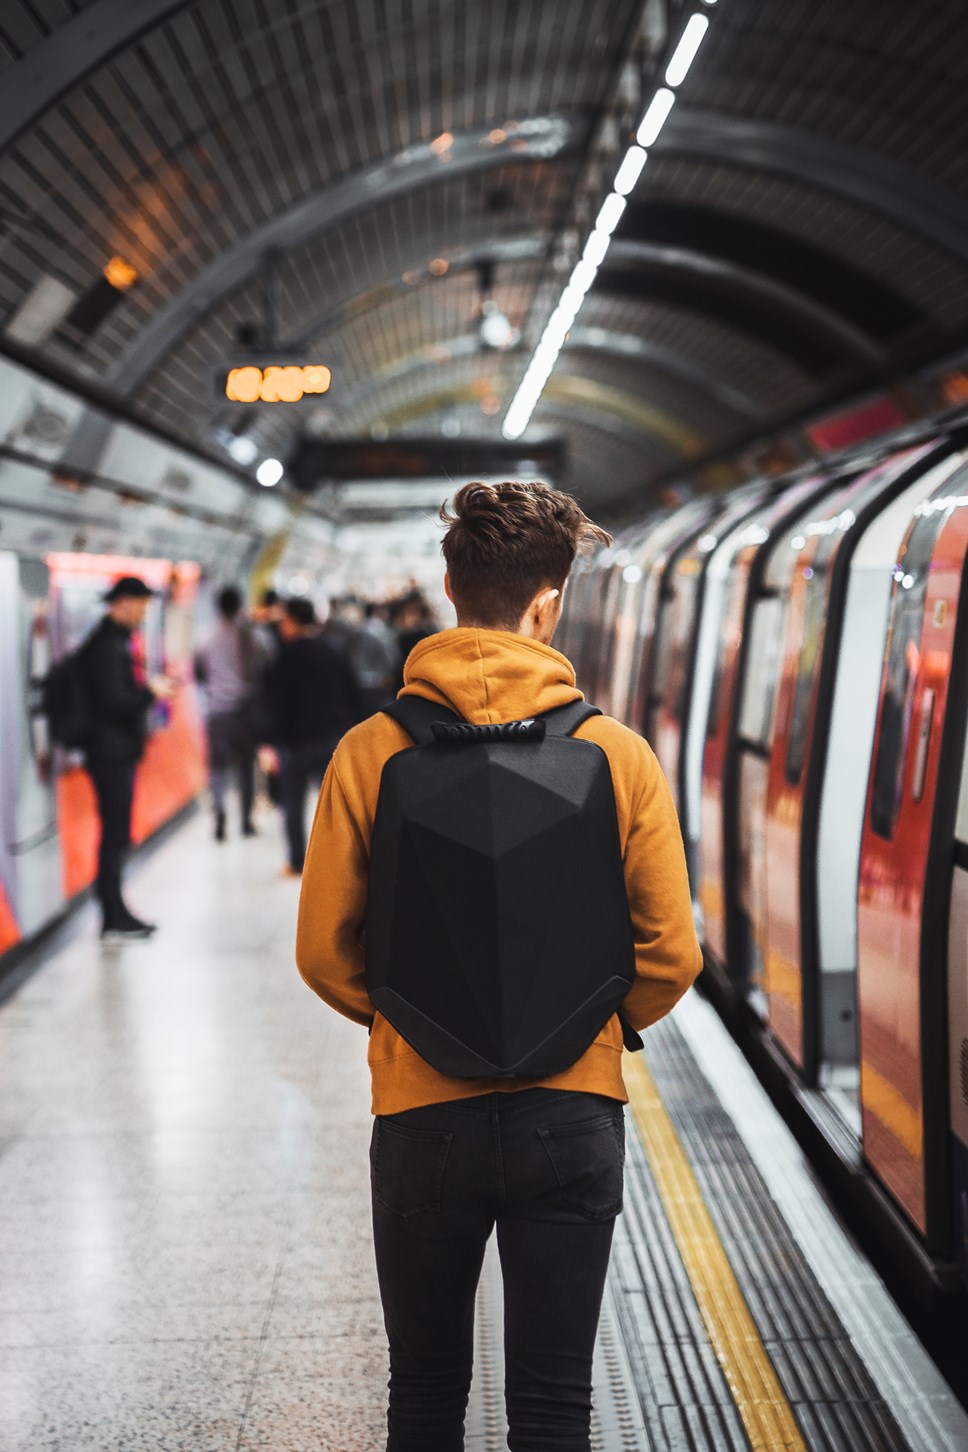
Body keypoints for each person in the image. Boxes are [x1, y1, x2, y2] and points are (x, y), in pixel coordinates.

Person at [295, 480, 703, 1450]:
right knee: (555, 1406)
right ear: (548, 601)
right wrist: (595, 1022)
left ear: (447, 586)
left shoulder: (368, 751)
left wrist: (410, 1018)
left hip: (420, 1115)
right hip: (572, 1113)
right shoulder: (617, 755)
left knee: (427, 1395)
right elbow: (670, 951)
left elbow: (322, 950)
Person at [81, 575, 175, 941]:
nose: (142, 613)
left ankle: (115, 909)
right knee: (114, 834)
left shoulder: (112, 642)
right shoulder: (106, 647)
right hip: (109, 753)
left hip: (113, 752)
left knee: (117, 833)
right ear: (122, 602)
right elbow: (115, 703)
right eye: (140, 606)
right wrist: (150, 691)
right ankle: (112, 912)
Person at [260, 596, 363, 876]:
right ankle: (341, 861)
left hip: (295, 743)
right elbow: (353, 692)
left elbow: (275, 703)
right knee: (333, 804)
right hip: (331, 738)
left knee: (293, 805)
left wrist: (270, 741)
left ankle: (296, 861)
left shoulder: (284, 656)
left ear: (292, 621)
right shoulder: (332, 651)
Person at [195, 585, 262, 841]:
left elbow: (199, 672)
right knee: (246, 765)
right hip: (245, 710)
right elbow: (262, 667)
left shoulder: (206, 638)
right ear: (239, 606)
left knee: (218, 766)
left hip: (217, 711)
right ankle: (246, 820)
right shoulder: (251, 638)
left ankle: (220, 810)